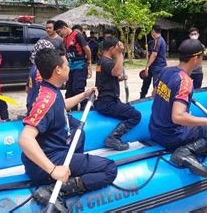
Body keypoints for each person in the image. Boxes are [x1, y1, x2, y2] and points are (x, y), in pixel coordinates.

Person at [19, 48, 117, 204]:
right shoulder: (46, 100)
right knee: (110, 169)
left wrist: (84, 95)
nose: (69, 68)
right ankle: (58, 189)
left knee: (80, 135)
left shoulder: (49, 89)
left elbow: (60, 105)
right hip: (47, 163)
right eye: (67, 65)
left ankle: (70, 171)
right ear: (58, 70)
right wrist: (53, 170)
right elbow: (25, 139)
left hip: (55, 150)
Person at [149, 39, 207, 178]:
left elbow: (154, 94)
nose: (202, 60)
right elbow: (178, 117)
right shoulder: (185, 81)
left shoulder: (166, 71)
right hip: (172, 136)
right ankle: (185, 151)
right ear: (195, 59)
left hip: (155, 131)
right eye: (201, 57)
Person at [94, 32, 142, 151]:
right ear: (112, 49)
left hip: (103, 101)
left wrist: (118, 78)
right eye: (117, 48)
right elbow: (116, 72)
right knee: (136, 115)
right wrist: (120, 54)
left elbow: (107, 78)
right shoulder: (107, 62)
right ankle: (113, 137)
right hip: (108, 103)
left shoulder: (101, 62)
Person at [56, 20, 92, 111]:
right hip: (70, 68)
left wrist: (89, 61)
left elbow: (87, 49)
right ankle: (73, 109)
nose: (59, 34)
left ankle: (85, 108)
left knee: (78, 88)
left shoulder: (77, 35)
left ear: (64, 28)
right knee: (69, 90)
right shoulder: (64, 40)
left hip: (80, 66)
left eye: (59, 32)